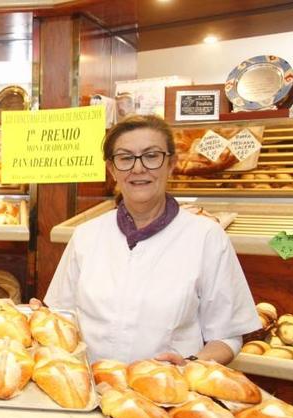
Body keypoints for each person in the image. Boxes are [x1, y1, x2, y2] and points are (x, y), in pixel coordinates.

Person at [39, 115, 259, 365]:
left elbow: (227, 336)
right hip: (90, 389)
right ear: (112, 169)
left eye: (152, 155)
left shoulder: (206, 237)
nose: (138, 168)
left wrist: (192, 365)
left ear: (171, 163)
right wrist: (40, 320)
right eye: (125, 158)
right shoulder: (86, 236)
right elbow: (61, 316)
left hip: (167, 394)